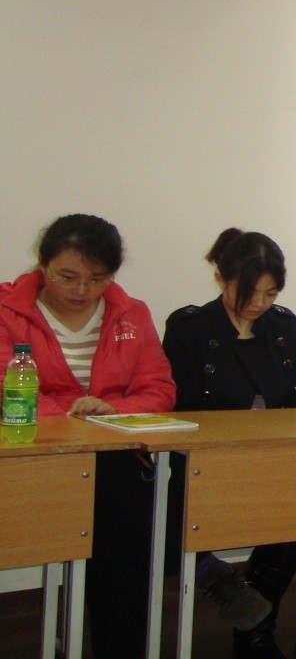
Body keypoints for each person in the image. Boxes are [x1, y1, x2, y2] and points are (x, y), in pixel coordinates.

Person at [163, 229, 296, 659]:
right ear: (221, 279)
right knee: (284, 532)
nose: (259, 304)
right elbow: (178, 412)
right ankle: (254, 639)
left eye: (270, 293)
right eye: (249, 293)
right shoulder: (190, 328)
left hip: (281, 460)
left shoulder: (283, 327)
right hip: (214, 466)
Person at [0, 214, 176, 659]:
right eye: (68, 277)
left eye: (98, 279)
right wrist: (72, 420)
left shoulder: (131, 313)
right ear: (42, 266)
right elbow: (9, 393)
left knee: (129, 525)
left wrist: (110, 410)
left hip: (111, 456)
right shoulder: (6, 312)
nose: (82, 291)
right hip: (31, 455)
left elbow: (159, 390)